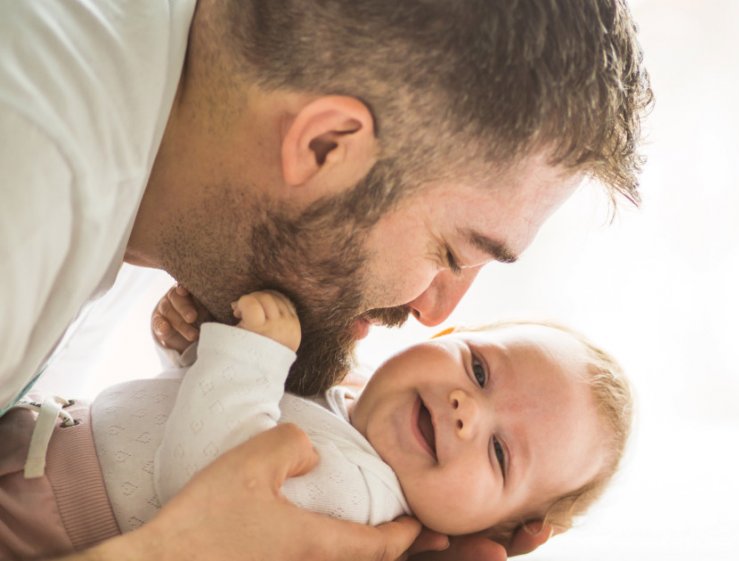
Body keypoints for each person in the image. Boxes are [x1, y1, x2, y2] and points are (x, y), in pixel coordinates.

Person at [0, 0, 651, 559]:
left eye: (503, 454)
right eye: (451, 252)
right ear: (325, 147)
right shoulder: (27, 200)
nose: (435, 310)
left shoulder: (172, 170)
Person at [0, 290, 632, 561]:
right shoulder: (341, 401)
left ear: (500, 529)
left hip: (41, 520)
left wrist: (247, 355)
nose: (468, 410)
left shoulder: (361, 497)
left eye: (499, 452)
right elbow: (201, 408)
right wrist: (194, 345)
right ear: (444, 335)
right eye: (479, 371)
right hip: (39, 449)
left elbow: (205, 488)